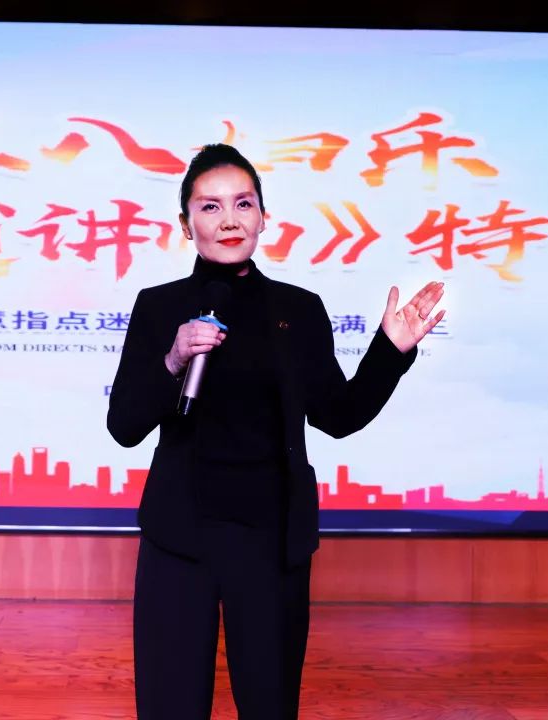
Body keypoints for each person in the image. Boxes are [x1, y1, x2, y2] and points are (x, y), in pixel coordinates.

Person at [106, 143, 444, 719]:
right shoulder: (159, 307)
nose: (229, 220)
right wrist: (173, 358)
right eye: (210, 207)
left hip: (270, 541)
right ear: (185, 225)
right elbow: (124, 426)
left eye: (243, 204)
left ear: (264, 217)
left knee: (270, 705)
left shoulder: (299, 310)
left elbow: (338, 415)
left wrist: (390, 351)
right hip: (180, 538)